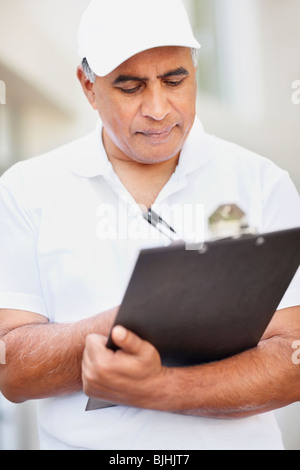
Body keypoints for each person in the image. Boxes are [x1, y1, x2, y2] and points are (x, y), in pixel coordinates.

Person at [0, 0, 300, 451]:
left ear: (195, 72)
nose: (159, 109)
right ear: (88, 86)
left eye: (175, 80)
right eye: (131, 86)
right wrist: (130, 324)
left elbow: (293, 361)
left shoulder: (261, 183)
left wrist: (157, 386)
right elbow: (12, 371)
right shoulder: (27, 190)